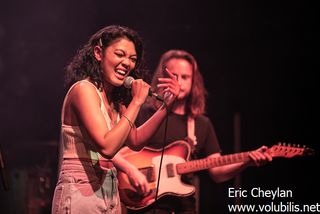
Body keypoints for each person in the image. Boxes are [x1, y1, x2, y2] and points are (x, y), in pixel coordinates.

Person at [113, 49, 273, 214]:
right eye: (173, 76)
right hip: (143, 201)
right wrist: (131, 171)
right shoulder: (142, 112)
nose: (179, 82)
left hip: (183, 206)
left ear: (193, 81)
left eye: (185, 77)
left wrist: (247, 160)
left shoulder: (201, 123)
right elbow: (112, 150)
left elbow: (217, 172)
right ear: (162, 78)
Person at [51, 25, 180, 214]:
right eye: (120, 54)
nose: (127, 63)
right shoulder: (84, 90)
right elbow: (107, 147)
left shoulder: (116, 100)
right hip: (81, 189)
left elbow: (135, 141)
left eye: (132, 59)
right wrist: (137, 101)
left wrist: (166, 106)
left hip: (109, 189)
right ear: (98, 53)